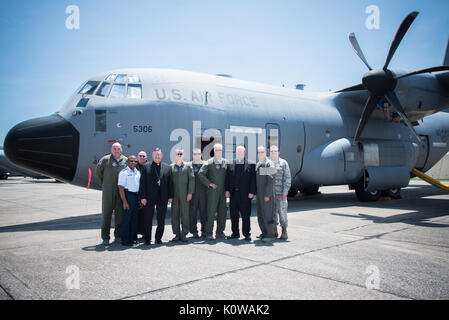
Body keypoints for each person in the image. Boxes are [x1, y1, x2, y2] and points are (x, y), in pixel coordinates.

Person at [139, 148, 174, 245]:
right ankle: (147, 239)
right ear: (152, 156)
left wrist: (170, 196)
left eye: (158, 154)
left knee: (161, 219)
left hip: (162, 197)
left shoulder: (167, 167)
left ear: (161, 155)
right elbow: (142, 183)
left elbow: (170, 184)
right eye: (155, 155)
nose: (157, 156)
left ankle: (158, 238)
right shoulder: (146, 167)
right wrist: (142, 197)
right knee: (148, 219)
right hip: (149, 197)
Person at [94, 142, 127, 245]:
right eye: (114, 148)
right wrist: (104, 185)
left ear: (121, 149)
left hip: (120, 193)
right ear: (111, 150)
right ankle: (105, 237)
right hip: (108, 192)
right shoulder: (105, 160)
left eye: (118, 149)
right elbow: (98, 173)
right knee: (106, 215)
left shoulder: (126, 160)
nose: (117, 150)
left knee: (120, 215)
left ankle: (118, 236)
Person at [198, 143, 229, 240]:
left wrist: (228, 189)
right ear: (214, 151)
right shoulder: (209, 162)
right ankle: (209, 233)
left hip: (223, 191)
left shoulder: (225, 162)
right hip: (213, 191)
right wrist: (209, 184)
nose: (218, 152)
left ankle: (220, 232)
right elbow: (200, 174)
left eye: (220, 150)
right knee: (211, 212)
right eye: (217, 150)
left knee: (222, 212)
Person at [225, 145, 256, 241]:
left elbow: (253, 180)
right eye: (238, 152)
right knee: (234, 215)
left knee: (246, 215)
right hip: (234, 194)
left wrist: (252, 192)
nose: (239, 153)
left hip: (245, 195)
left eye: (241, 152)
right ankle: (235, 233)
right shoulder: (230, 164)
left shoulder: (251, 164)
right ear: (235, 153)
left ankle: (246, 234)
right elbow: (227, 178)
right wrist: (227, 190)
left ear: (244, 153)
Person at [170, 148, 195, 242]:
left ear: (183, 155)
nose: (179, 155)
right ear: (175, 155)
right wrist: (170, 196)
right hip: (175, 195)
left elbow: (192, 180)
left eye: (181, 154)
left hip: (185, 194)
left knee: (185, 214)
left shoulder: (188, 166)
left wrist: (190, 193)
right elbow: (169, 183)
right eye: (178, 154)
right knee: (174, 214)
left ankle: (184, 234)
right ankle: (176, 234)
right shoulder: (172, 167)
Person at [269, 145, 291, 240]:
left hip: (281, 194)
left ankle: (284, 231)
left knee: (282, 213)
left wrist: (285, 192)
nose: (273, 153)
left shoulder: (283, 163)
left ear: (278, 152)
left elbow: (287, 179)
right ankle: (274, 231)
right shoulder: (267, 163)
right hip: (270, 194)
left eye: (275, 151)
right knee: (272, 214)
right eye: (272, 151)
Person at [117, 155, 141, 246]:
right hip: (128, 196)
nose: (134, 163)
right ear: (127, 162)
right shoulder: (123, 172)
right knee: (127, 219)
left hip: (135, 196)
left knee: (134, 219)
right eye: (131, 161)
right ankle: (125, 239)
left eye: (135, 161)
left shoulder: (137, 172)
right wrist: (124, 201)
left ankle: (132, 238)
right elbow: (120, 187)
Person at [255, 145, 276, 242]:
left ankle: (270, 235)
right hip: (260, 195)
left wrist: (267, 195)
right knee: (261, 214)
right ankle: (264, 233)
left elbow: (271, 180)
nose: (260, 154)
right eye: (259, 152)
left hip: (267, 195)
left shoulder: (269, 164)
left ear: (266, 153)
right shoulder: (259, 164)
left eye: (262, 152)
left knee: (268, 214)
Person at [189, 148, 208, 239]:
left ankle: (204, 231)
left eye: (198, 154)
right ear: (192, 155)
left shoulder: (205, 164)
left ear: (201, 155)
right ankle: (194, 232)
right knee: (192, 213)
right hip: (193, 193)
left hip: (204, 193)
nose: (197, 155)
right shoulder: (189, 165)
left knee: (203, 213)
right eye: (195, 154)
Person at [134, 151, 148, 241]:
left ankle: (144, 234)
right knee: (135, 216)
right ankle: (134, 235)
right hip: (136, 195)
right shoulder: (133, 167)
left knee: (145, 216)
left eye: (143, 156)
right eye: (140, 156)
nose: (142, 157)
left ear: (146, 158)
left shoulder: (149, 167)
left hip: (145, 196)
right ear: (137, 158)